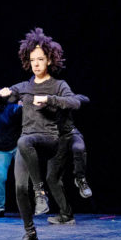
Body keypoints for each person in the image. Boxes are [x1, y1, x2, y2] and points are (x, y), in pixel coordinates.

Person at [0, 28, 81, 240]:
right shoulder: (24, 87)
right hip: (27, 142)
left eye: (40, 59)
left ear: (49, 60)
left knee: (23, 142)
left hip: (49, 140)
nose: (36, 64)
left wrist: (49, 99)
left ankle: (40, 193)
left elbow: (74, 102)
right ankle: (30, 233)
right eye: (32, 60)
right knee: (20, 187)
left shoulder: (59, 85)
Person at [44, 94, 93, 223]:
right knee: (51, 177)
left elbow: (85, 99)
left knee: (79, 148)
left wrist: (62, 100)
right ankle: (66, 215)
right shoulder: (37, 101)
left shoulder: (60, 96)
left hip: (71, 133)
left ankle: (80, 179)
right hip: (55, 140)